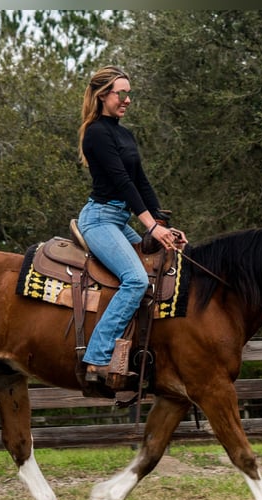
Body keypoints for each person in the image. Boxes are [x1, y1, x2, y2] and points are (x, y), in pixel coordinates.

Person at [76, 65, 187, 387]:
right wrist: (151, 227)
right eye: (119, 93)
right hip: (98, 219)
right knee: (136, 280)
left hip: (120, 219)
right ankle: (96, 359)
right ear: (102, 96)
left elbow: (140, 180)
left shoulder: (124, 133)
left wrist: (164, 223)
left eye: (129, 93)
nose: (126, 99)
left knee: (162, 269)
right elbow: (122, 182)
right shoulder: (96, 132)